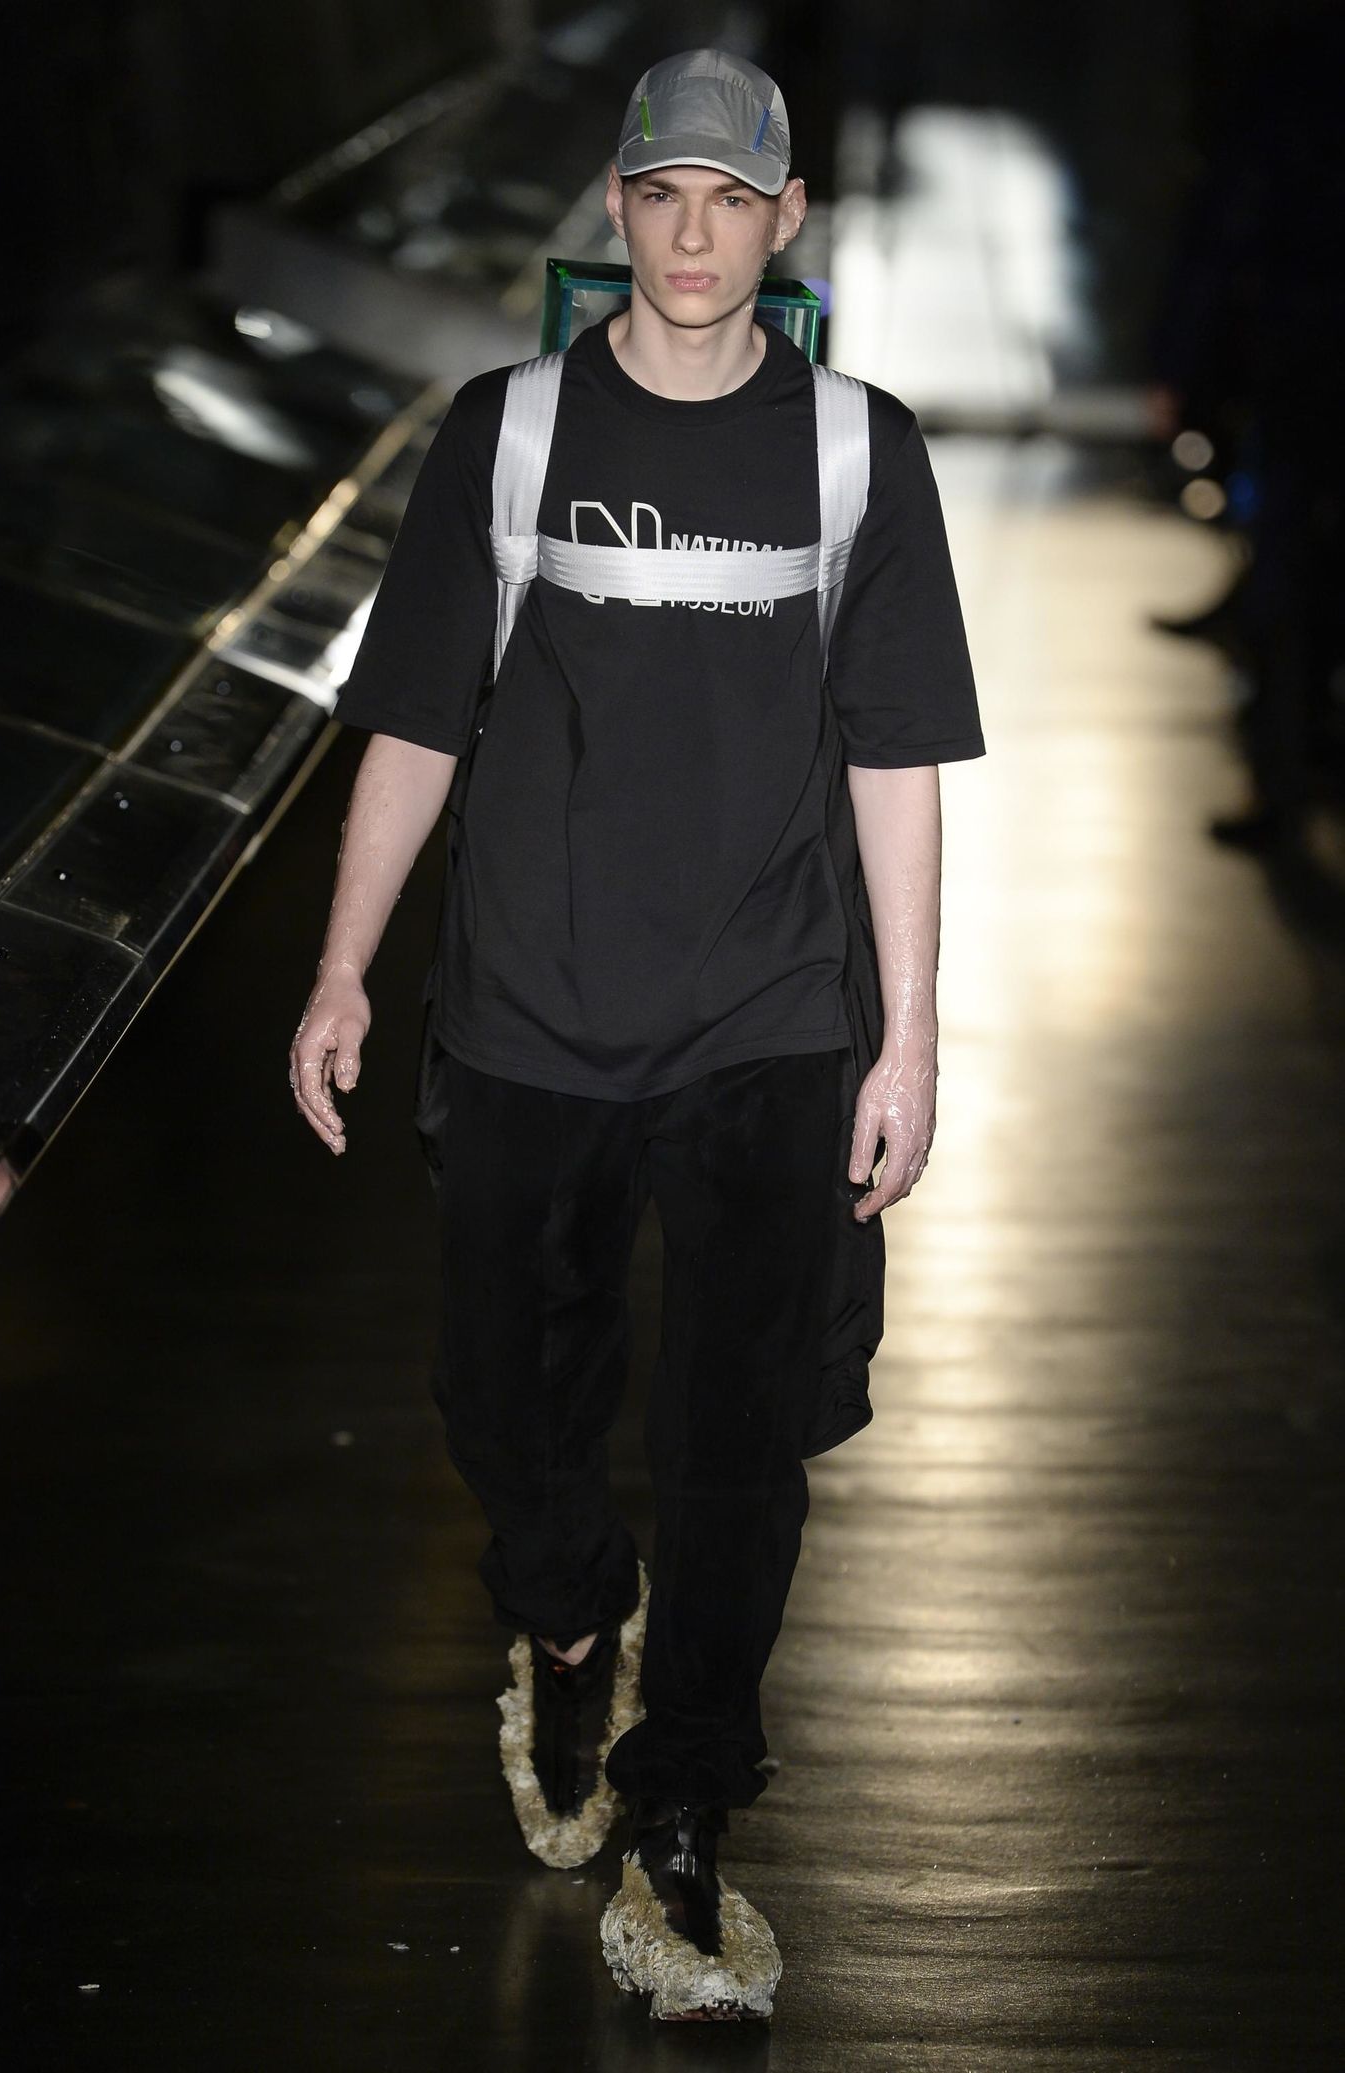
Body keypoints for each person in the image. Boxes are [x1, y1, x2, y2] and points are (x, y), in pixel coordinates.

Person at [290, 46, 984, 2022]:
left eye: (730, 201)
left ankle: (685, 1803)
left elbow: (900, 758)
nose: (694, 235)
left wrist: (907, 1036)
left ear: (784, 221)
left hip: (769, 1017)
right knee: (503, 1400)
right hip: (527, 1007)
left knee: (737, 1439)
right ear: (617, 207)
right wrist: (342, 969)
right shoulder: (504, 433)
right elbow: (414, 716)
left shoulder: (858, 452)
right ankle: (569, 1603)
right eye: (662, 196)